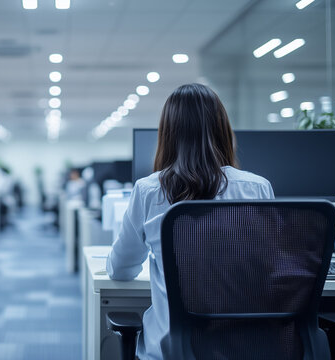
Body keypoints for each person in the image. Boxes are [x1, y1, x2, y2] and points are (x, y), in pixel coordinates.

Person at [106, 83, 274, 359]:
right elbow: (269, 266)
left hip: (172, 350)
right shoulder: (258, 187)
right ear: (223, 131)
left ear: (168, 134)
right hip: (245, 347)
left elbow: (120, 269)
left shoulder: (150, 190)